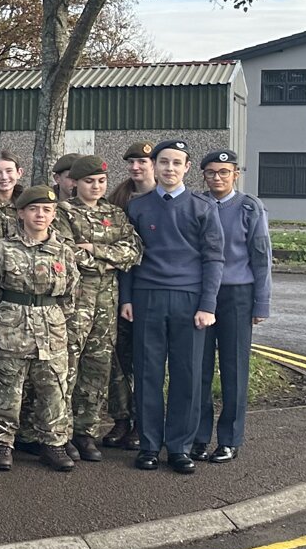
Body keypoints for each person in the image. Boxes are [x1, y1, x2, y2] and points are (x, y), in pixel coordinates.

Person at [122, 139, 223, 474]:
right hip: (147, 296)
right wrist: (126, 298)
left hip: (189, 301)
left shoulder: (202, 207)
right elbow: (129, 259)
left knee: (187, 375)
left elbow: (214, 258)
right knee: (148, 373)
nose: (169, 169)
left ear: (186, 168)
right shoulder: (138, 207)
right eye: (163, 162)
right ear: (154, 165)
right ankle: (149, 445)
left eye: (176, 163)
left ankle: (179, 447)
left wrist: (208, 304)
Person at [0, 186, 81, 472]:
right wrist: (6, 315)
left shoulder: (63, 251)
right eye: (34, 209)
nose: (40, 215)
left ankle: (52, 443)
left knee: (53, 389)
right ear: (21, 212)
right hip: (12, 326)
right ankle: (1, 441)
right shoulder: (4, 248)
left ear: (53, 215)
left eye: (47, 210)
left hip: (51, 327)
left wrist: (56, 318)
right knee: (6, 389)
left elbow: (71, 294)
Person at [57, 155, 142, 462]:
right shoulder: (61, 213)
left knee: (98, 368)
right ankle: (61, 433)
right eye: (89, 181)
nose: (95, 187)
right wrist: (109, 259)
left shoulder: (114, 213)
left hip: (106, 303)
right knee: (65, 368)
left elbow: (133, 251)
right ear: (75, 183)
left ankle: (86, 432)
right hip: (74, 300)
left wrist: (94, 249)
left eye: (101, 181)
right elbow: (66, 253)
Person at [194, 149, 273, 463]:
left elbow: (261, 256)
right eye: (211, 172)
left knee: (233, 368)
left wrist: (261, 303)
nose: (217, 178)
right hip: (200, 295)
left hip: (237, 294)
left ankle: (229, 439)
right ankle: (198, 437)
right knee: (198, 368)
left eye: (224, 172)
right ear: (203, 174)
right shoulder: (196, 203)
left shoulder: (249, 207)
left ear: (235, 175)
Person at [102, 141, 158, 449]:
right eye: (132, 162)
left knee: (145, 360)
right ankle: (121, 419)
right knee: (119, 360)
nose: (136, 168)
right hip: (120, 287)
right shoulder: (120, 198)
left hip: (153, 286)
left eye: (143, 162)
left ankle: (142, 421)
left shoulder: (165, 197)